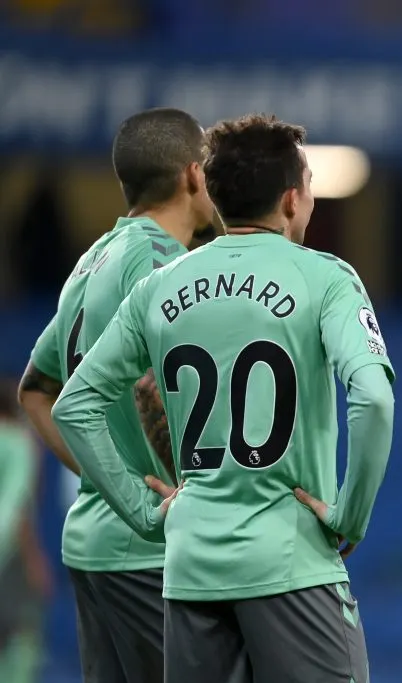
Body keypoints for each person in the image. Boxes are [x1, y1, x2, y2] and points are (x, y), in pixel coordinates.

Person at [50, 113, 396, 683]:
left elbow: (73, 404)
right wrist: (350, 517)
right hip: (290, 563)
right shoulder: (327, 278)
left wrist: (143, 515)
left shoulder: (158, 286)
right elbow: (374, 399)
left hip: (190, 572)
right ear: (291, 199)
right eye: (310, 185)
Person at [17, 107, 217, 683]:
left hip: (95, 546)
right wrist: (145, 500)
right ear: (193, 174)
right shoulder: (168, 267)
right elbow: (155, 390)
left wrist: (109, 483)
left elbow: (37, 391)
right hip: (153, 555)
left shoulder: (90, 262)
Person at [0, 384, 52, 683]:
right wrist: (34, 560)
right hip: (9, 558)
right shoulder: (19, 442)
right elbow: (16, 509)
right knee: (22, 638)